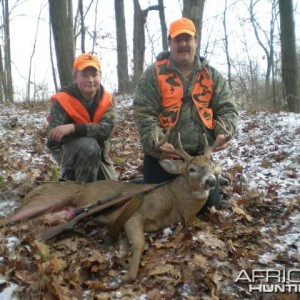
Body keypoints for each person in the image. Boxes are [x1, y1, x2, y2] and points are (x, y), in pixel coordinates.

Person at [132, 17, 238, 212]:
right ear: (169, 43)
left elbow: (228, 109)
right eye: (177, 39)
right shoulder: (154, 74)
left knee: (208, 208)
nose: (183, 44)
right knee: (156, 206)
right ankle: (147, 182)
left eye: (187, 39)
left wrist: (223, 130)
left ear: (195, 41)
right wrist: (157, 141)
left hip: (199, 160)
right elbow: (143, 113)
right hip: (165, 157)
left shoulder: (211, 75)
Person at [47, 53, 117, 183]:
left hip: (99, 153)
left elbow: (106, 130)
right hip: (69, 153)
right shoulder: (63, 99)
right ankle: (79, 189)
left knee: (114, 188)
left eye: (94, 75)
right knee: (87, 146)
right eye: (84, 75)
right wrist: (83, 136)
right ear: (75, 76)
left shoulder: (107, 100)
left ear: (100, 76)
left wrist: (73, 128)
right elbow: (54, 136)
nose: (90, 80)